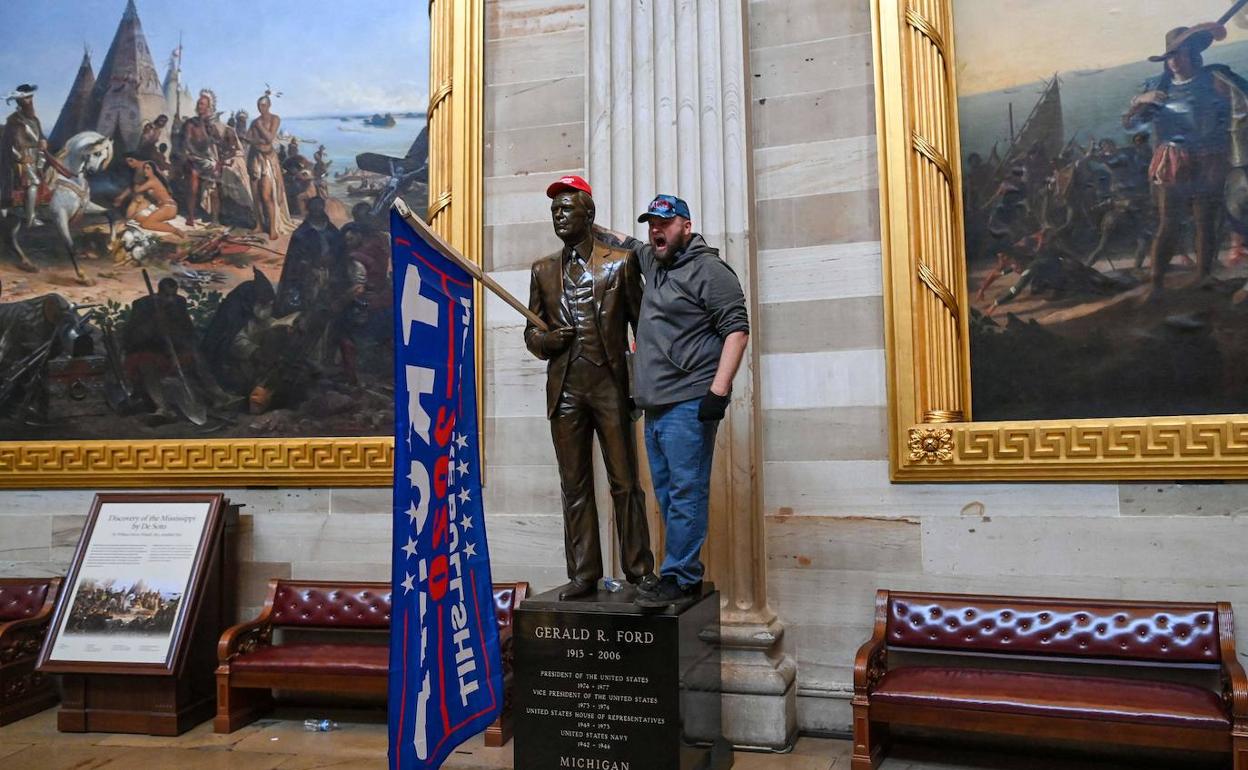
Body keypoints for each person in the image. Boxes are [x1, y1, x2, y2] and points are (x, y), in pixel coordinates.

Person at [523, 175, 656, 601]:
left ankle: (638, 570)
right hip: (565, 392)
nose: (559, 216)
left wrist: (645, 389)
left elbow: (644, 330)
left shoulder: (620, 263)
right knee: (574, 486)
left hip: (609, 387)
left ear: (589, 213)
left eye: (566, 209)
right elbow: (531, 334)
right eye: (554, 211)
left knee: (625, 482)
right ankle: (583, 573)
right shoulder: (543, 270)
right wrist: (547, 341)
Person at [629, 195, 749, 608]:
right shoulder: (654, 262)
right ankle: (682, 571)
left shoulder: (709, 270)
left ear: (686, 225)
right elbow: (622, 243)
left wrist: (717, 392)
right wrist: (584, 212)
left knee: (686, 491)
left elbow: (737, 331)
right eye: (652, 224)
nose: (656, 230)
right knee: (667, 492)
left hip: (689, 400)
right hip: (655, 405)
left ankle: (680, 576)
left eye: (665, 222)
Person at [1124, 22, 1248, 297]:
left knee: (1205, 221)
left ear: (1193, 53)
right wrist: (1140, 100)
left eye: (1179, 54)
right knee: (1168, 223)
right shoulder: (1156, 87)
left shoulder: (1216, 78)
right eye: (1169, 57)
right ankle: (1156, 284)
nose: (1173, 62)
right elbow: (1131, 126)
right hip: (1173, 164)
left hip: (1211, 161)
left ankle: (1203, 276)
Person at [246, 92, 295, 239]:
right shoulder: (254, 121)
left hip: (268, 160)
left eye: (263, 105)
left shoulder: (274, 119)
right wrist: (257, 141)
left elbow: (269, 138)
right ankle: (259, 225)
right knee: (256, 195)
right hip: (255, 159)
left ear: (269, 105)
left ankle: (273, 228)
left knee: (267, 195)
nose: (261, 108)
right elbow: (248, 138)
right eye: (259, 105)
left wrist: (259, 127)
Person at [1, 84, 46, 228]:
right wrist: (21, 158)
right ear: (19, 101)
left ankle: (29, 212)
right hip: (19, 157)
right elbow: (11, 143)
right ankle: (30, 219)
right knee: (32, 184)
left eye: (31, 97)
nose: (30, 101)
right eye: (26, 98)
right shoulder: (13, 120)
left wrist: (43, 140)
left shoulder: (34, 119)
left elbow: (40, 135)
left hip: (36, 155)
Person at [178, 90, 223, 227]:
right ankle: (191, 217)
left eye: (202, 104)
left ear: (209, 107)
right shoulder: (191, 123)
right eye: (199, 103)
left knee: (214, 188)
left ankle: (215, 219)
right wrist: (193, 156)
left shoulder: (212, 124)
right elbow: (186, 142)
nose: (199, 106)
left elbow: (218, 142)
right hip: (195, 159)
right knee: (193, 184)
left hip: (210, 159)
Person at [113, 154, 182, 236]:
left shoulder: (152, 181)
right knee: (139, 218)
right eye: (144, 168)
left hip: (169, 207)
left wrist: (136, 182)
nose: (145, 170)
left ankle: (175, 230)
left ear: (153, 170)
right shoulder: (149, 181)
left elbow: (136, 189)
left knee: (146, 224)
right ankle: (162, 224)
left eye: (148, 168)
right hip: (163, 207)